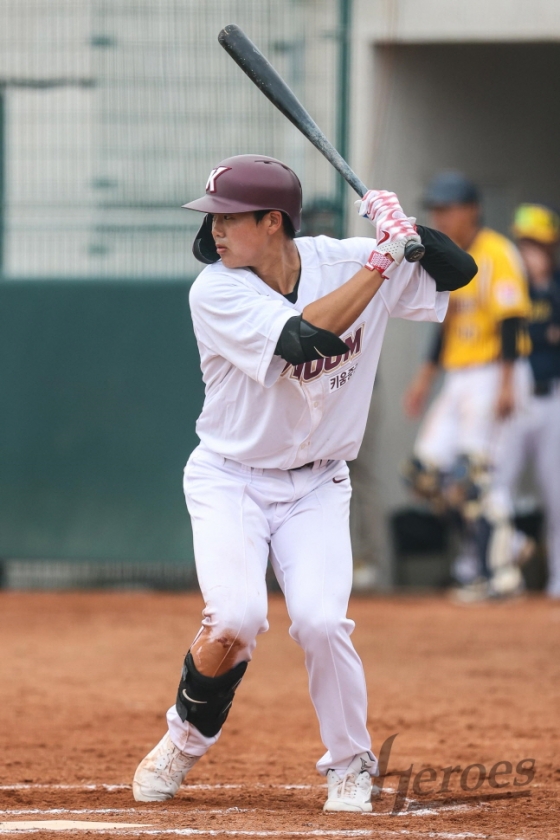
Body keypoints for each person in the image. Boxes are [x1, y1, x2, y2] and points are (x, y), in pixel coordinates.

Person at [132, 155, 474, 812]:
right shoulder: (216, 291)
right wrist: (382, 261)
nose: (215, 231)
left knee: (321, 622)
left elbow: (459, 273)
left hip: (317, 485)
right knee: (236, 620)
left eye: (230, 218)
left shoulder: (343, 259)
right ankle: (184, 739)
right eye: (214, 219)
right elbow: (304, 339)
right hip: (231, 478)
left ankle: (350, 763)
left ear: (273, 221)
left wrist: (412, 233)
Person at [402, 172, 533, 600]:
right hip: (459, 376)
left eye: (448, 209)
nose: (440, 217)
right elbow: (444, 326)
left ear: (472, 210)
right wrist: (425, 379)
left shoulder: (498, 252)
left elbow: (511, 322)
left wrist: (508, 384)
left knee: (476, 475)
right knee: (425, 474)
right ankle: (509, 545)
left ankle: (498, 576)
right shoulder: (451, 256)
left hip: (495, 371)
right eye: (436, 209)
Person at [494, 204, 560, 599]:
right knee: (494, 487)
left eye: (537, 244)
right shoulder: (509, 286)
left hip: (552, 397)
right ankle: (490, 570)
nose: (530, 252)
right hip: (513, 400)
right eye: (525, 244)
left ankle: (557, 579)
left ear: (550, 247)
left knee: (556, 492)